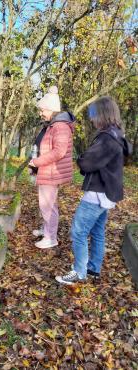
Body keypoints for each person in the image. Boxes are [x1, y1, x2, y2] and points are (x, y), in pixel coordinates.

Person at [55, 96, 131, 285]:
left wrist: (80, 159)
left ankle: (79, 272)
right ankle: (93, 268)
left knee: (78, 232)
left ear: (103, 114)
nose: (91, 118)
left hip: (97, 194)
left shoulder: (107, 139)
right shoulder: (116, 135)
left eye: (94, 114)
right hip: (105, 193)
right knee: (97, 232)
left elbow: (87, 163)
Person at [29, 86, 75, 249]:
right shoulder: (53, 124)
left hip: (51, 171)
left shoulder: (60, 126)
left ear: (50, 109)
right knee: (47, 204)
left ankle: (51, 237)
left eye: (42, 110)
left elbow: (59, 152)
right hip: (47, 170)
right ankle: (46, 229)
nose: (41, 113)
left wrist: (37, 162)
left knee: (48, 205)